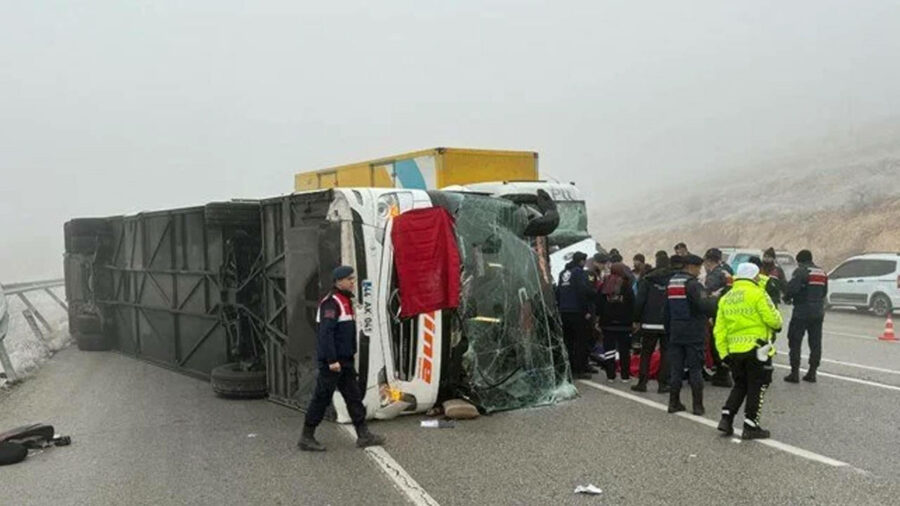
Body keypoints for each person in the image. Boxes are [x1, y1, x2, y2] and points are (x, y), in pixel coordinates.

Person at [299, 266, 385, 452]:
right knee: (321, 398)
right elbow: (326, 334)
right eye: (349, 279)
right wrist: (331, 360)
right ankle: (307, 436)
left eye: (353, 279)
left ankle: (363, 435)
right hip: (333, 363)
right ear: (339, 282)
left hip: (344, 361)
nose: (353, 282)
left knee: (354, 397)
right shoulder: (331, 303)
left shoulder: (345, 301)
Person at [714, 263, 783, 439]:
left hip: (734, 351)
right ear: (754, 276)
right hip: (757, 349)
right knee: (756, 387)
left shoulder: (726, 298)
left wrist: (724, 354)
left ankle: (726, 419)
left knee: (740, 385)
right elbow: (774, 320)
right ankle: (750, 426)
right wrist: (778, 324)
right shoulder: (758, 294)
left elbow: (719, 330)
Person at [665, 254, 718, 415]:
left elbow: (666, 310)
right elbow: (704, 306)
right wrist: (714, 300)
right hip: (693, 331)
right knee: (695, 369)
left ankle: (673, 403)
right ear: (691, 267)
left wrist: (669, 330)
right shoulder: (693, 285)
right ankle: (697, 406)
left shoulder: (672, 282)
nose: (699, 271)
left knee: (676, 369)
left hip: (676, 330)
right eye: (698, 268)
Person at [783, 250, 828, 383]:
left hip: (802, 311)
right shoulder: (822, 272)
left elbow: (792, 289)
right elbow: (824, 292)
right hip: (818, 312)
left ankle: (794, 373)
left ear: (799, 261)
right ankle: (812, 372)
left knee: (795, 341)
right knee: (815, 342)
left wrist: (786, 297)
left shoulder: (801, 271)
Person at [631, 251, 673, 393]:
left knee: (646, 353)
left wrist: (636, 319)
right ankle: (663, 384)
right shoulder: (673, 279)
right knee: (666, 353)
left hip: (649, 322)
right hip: (667, 322)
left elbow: (640, 301)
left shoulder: (648, 279)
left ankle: (642, 383)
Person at [558, 252, 595, 380]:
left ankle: (568, 368)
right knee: (580, 341)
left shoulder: (563, 274)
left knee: (568, 341)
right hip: (576, 311)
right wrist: (586, 311)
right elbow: (582, 292)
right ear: (581, 261)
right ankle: (579, 369)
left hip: (564, 311)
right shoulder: (578, 272)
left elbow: (559, 292)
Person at [597, 263, 635, 382]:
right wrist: (633, 320)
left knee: (609, 350)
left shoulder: (604, 285)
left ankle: (610, 375)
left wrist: (598, 320)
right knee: (624, 350)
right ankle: (625, 376)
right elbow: (632, 304)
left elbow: (599, 304)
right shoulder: (627, 285)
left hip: (607, 324)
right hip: (624, 324)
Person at [703, 248, 734, 388]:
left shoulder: (713, 276)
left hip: (717, 312)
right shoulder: (727, 271)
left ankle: (723, 374)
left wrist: (709, 314)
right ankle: (724, 371)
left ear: (709, 261)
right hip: (728, 311)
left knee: (716, 343)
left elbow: (710, 296)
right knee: (724, 342)